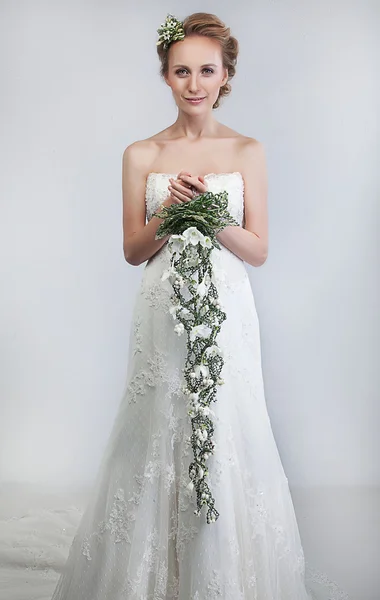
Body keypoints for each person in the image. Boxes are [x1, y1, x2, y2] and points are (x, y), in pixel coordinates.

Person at [50, 12, 345, 600]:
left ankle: (222, 570)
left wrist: (210, 215)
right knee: (160, 418)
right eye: (181, 71)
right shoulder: (141, 154)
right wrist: (169, 214)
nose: (193, 83)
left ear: (225, 75)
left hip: (228, 308)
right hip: (161, 309)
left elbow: (258, 250)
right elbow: (134, 250)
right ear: (165, 76)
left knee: (228, 418)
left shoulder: (247, 150)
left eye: (206, 70)